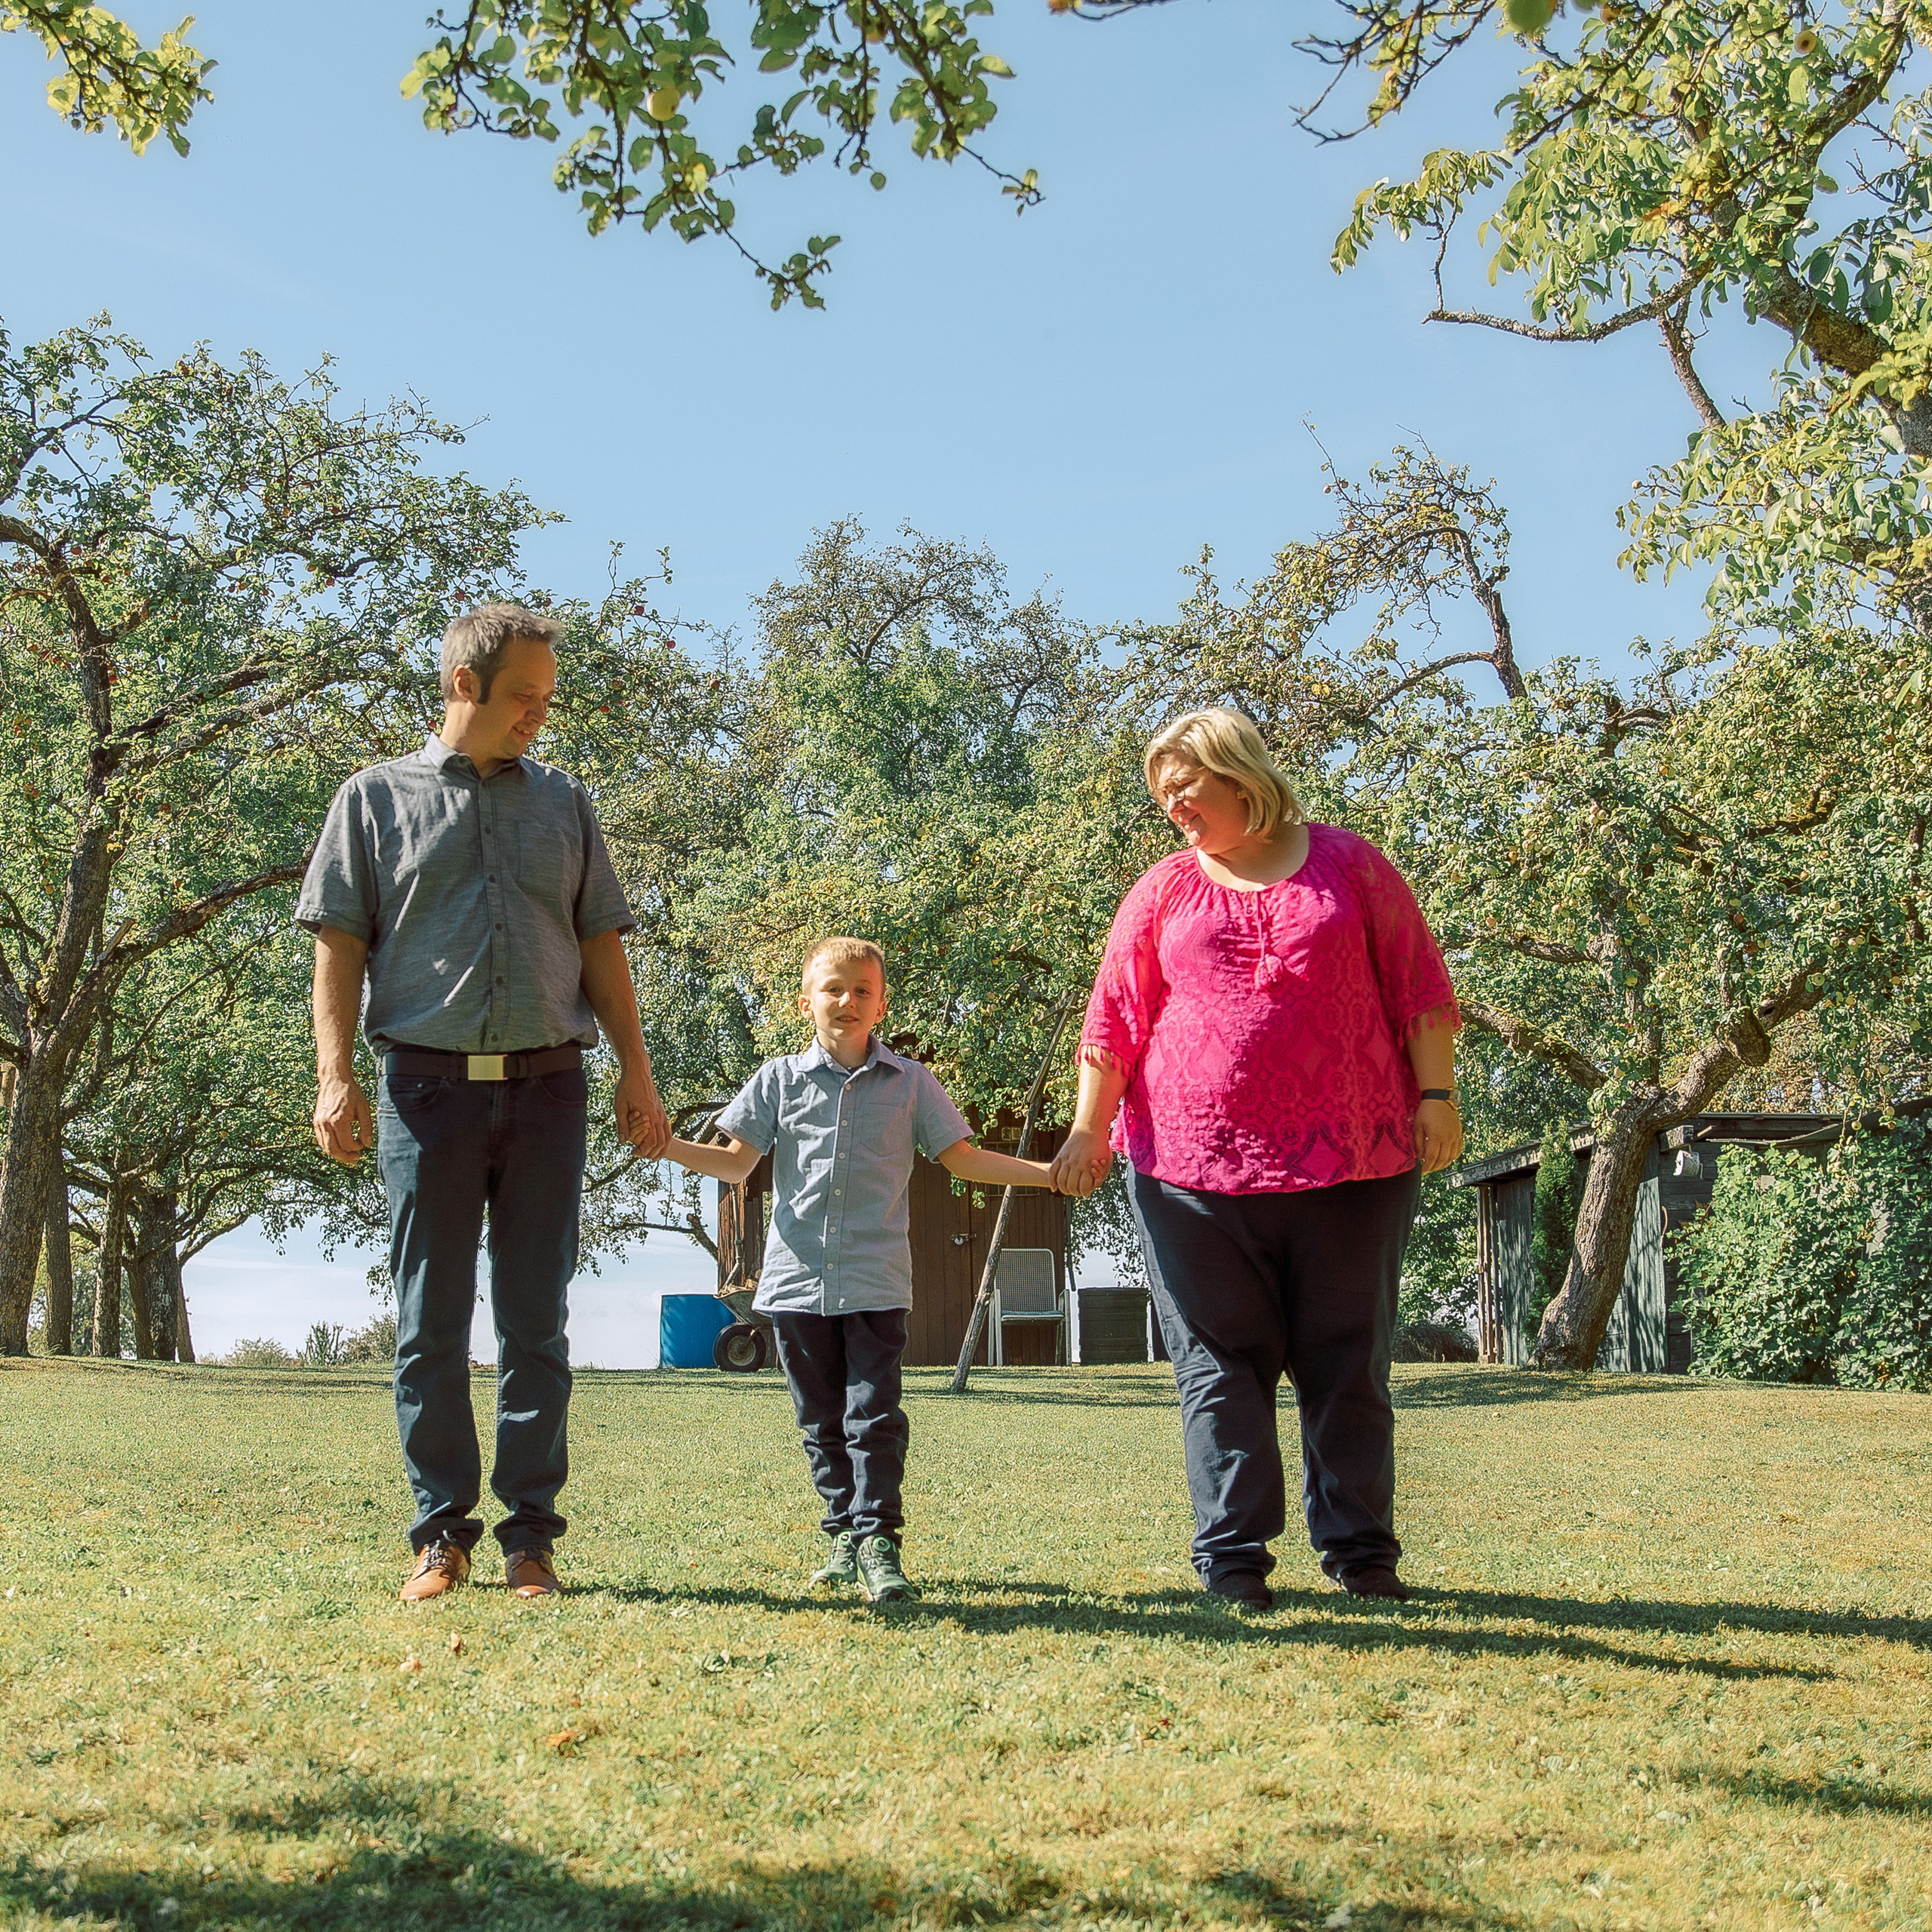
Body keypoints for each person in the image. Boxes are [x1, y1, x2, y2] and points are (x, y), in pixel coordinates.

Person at [298, 603, 670, 1604]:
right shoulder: (372, 801)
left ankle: (529, 1543)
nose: (538, 717)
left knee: (536, 1324)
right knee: (431, 1325)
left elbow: (601, 945)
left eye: (548, 700)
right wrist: (335, 1076)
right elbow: (337, 948)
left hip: (550, 1088)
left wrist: (636, 1069)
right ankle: (439, 1536)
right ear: (464, 685)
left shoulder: (565, 805)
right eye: (522, 697)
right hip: (426, 1095)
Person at [1049, 708, 1460, 1611]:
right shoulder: (1159, 891)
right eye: (1161, 794)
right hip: (1188, 1171)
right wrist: (1087, 1128)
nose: (1172, 807)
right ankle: (1232, 1561)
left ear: (1238, 772)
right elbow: (1112, 1021)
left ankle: (1362, 1555)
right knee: (1216, 1365)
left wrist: (1436, 1098)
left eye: (1183, 787)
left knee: (1345, 1364)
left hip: (1355, 1161)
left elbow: (1419, 987)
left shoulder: (1351, 865)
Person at [664, 937, 1057, 1603]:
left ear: (881, 1003)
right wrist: (663, 1145)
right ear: (805, 1002)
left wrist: (1047, 1176)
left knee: (872, 1416)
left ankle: (878, 1540)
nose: (847, 1001)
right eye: (834, 989)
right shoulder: (778, 1081)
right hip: (794, 1285)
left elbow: (961, 1159)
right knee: (820, 1422)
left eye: (863, 990)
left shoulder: (911, 1084)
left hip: (876, 1281)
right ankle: (843, 1533)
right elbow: (736, 1164)